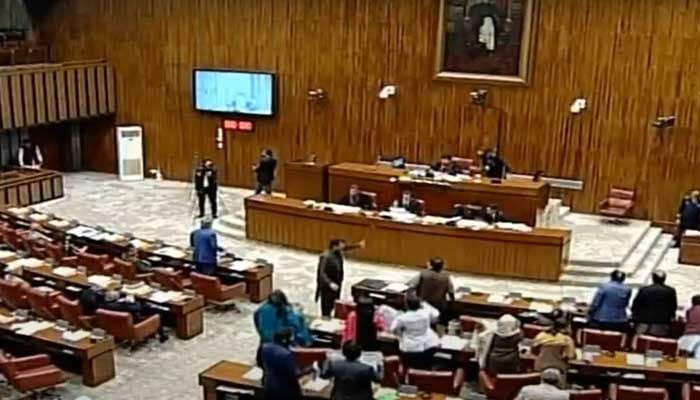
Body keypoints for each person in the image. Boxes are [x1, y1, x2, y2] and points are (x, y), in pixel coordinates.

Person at [79, 287, 169, 342]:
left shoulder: (100, 306)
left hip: (115, 326)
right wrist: (132, 301)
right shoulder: (120, 306)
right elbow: (137, 307)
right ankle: (162, 336)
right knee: (157, 312)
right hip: (132, 324)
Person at [315, 238, 365, 317]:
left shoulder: (338, 252)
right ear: (335, 246)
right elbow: (322, 273)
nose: (343, 247)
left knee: (335, 303)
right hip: (328, 286)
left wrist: (358, 245)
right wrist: (330, 283)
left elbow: (347, 247)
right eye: (341, 245)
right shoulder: (325, 256)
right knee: (326, 306)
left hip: (337, 284)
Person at [390, 295, 440, 370]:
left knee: (412, 366)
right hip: (429, 346)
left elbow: (393, 329)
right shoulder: (425, 313)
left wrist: (401, 335)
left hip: (410, 349)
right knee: (426, 364)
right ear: (419, 304)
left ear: (406, 305)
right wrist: (425, 304)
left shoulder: (402, 318)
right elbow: (436, 316)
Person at [261, 328, 309, 400]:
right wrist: (309, 369)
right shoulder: (286, 355)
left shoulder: (265, 347)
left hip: (270, 385)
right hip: (286, 391)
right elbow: (295, 373)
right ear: (286, 340)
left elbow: (260, 362)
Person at [408, 257, 455, 326]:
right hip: (439, 305)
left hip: (422, 304)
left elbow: (412, 287)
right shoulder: (446, 277)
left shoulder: (423, 274)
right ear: (442, 266)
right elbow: (451, 292)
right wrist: (452, 304)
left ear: (430, 265)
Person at [631, 271, 677, 337]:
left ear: (653, 278)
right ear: (664, 279)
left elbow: (636, 305)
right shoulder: (670, 291)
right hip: (661, 324)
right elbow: (673, 307)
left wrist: (635, 316)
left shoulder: (644, 290)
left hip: (643, 323)